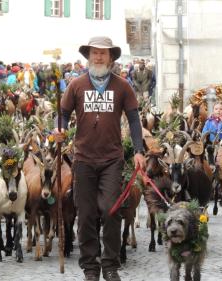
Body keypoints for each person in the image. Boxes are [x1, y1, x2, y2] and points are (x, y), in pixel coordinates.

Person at [54, 36, 145, 281]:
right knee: (85, 215)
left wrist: (138, 150)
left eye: (103, 53)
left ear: (111, 57)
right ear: (88, 56)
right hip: (83, 159)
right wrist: (58, 130)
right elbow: (61, 114)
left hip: (111, 159)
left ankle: (110, 265)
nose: (98, 57)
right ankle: (90, 268)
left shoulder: (122, 86)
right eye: (94, 53)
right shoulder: (77, 85)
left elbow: (134, 120)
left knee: (111, 210)